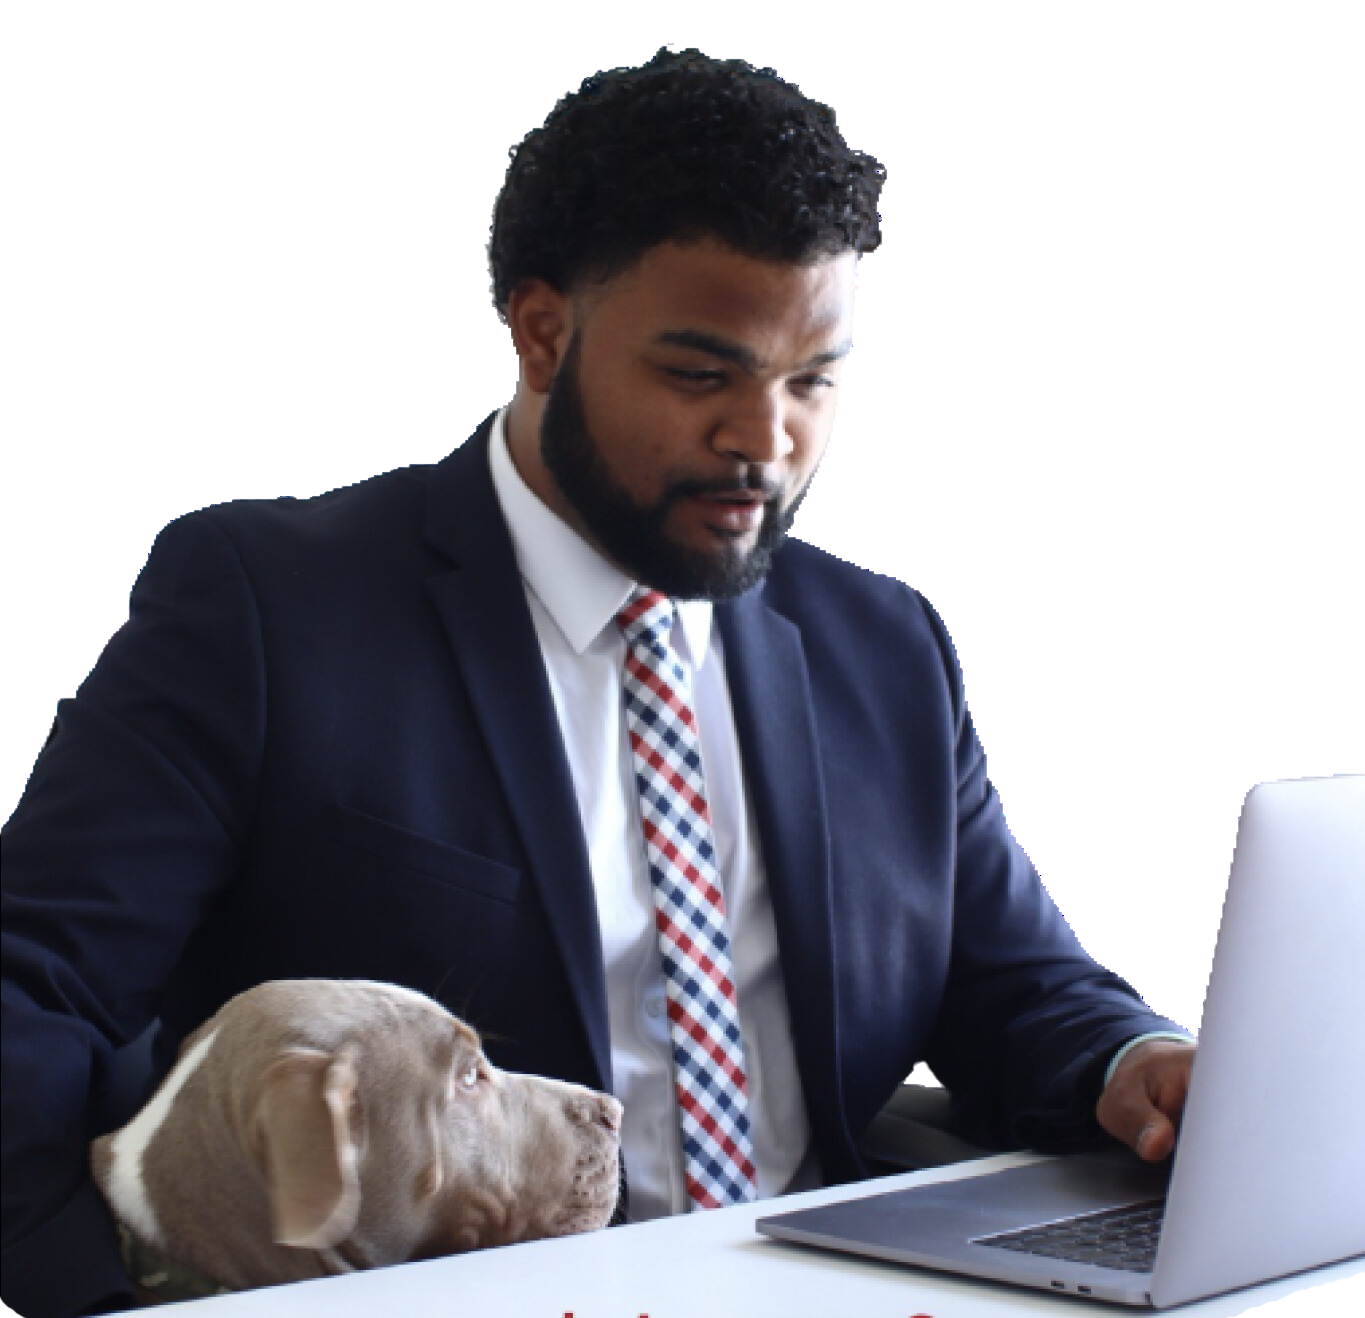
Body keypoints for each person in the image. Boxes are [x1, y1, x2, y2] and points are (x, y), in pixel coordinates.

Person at [2, 50, 1194, 1316]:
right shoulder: (265, 607)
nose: (765, 439)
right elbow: (35, 981)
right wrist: (88, 1289)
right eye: (701, 374)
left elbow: (1015, 981)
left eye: (814, 380)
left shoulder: (885, 643)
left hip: (847, 1284)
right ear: (543, 333)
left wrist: (1140, 1058)